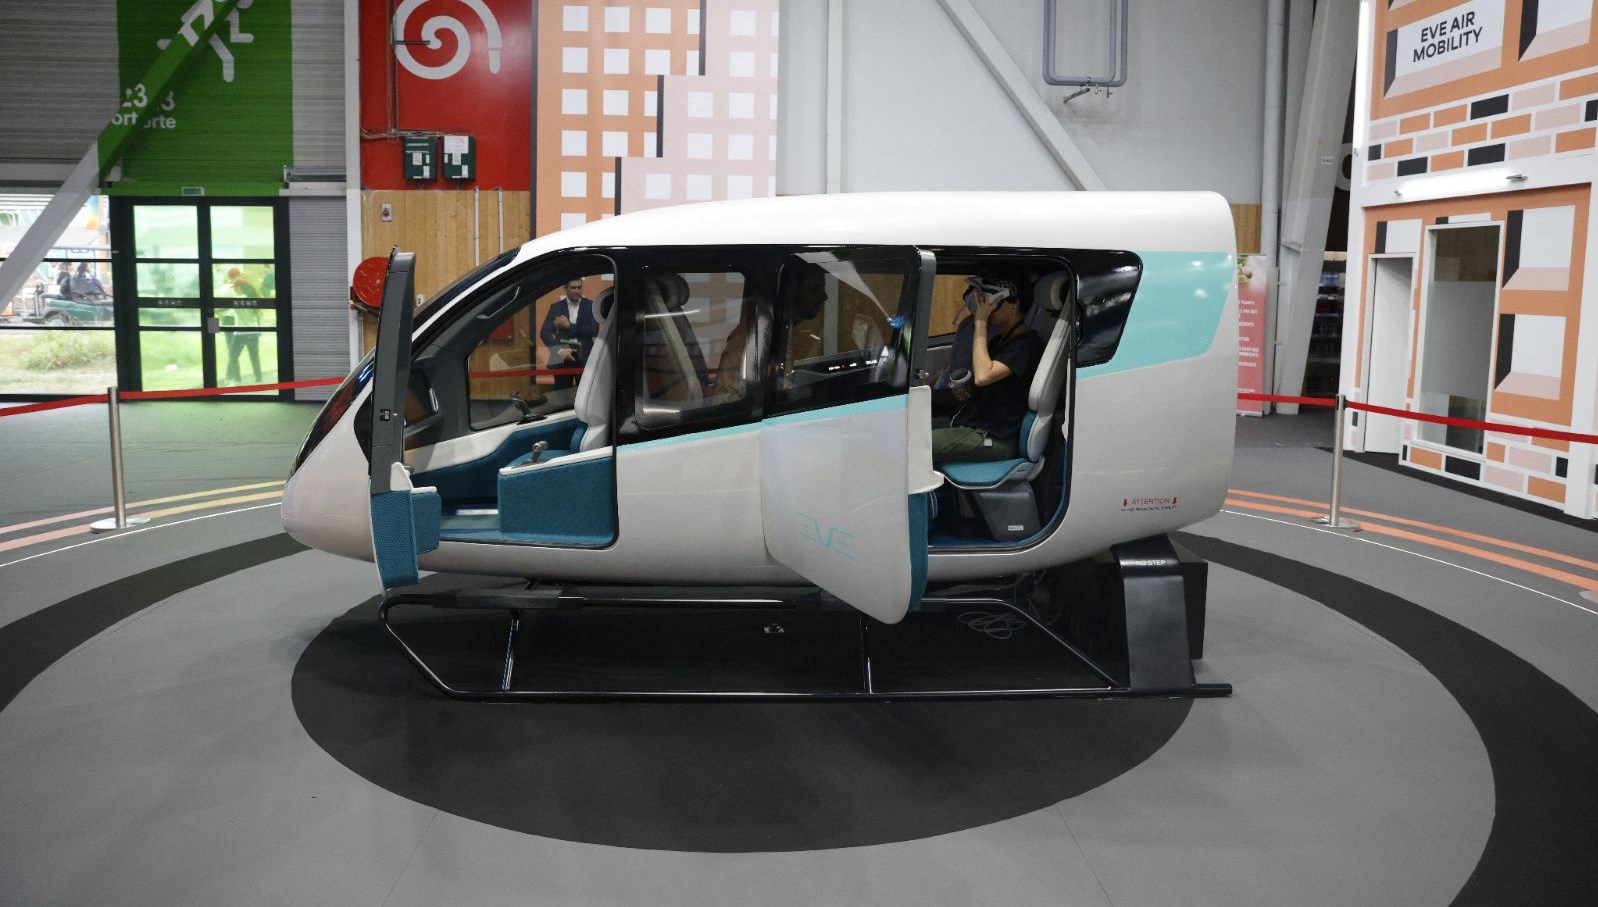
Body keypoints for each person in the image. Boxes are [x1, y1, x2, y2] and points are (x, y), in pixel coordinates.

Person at [931, 275, 1044, 464]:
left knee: (915, 445)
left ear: (1014, 304)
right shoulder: (999, 341)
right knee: (907, 432)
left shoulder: (1027, 344)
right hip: (971, 422)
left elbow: (983, 377)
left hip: (994, 438)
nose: (988, 310)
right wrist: (966, 391)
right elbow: (982, 384)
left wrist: (981, 322)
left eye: (994, 303)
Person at [539, 278, 600, 389]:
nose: (576, 291)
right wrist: (559, 350)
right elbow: (544, 332)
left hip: (584, 357)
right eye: (573, 288)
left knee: (584, 394)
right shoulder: (556, 307)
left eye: (579, 287)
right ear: (565, 288)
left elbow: (594, 330)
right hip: (561, 357)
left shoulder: (590, 305)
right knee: (561, 394)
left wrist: (569, 326)